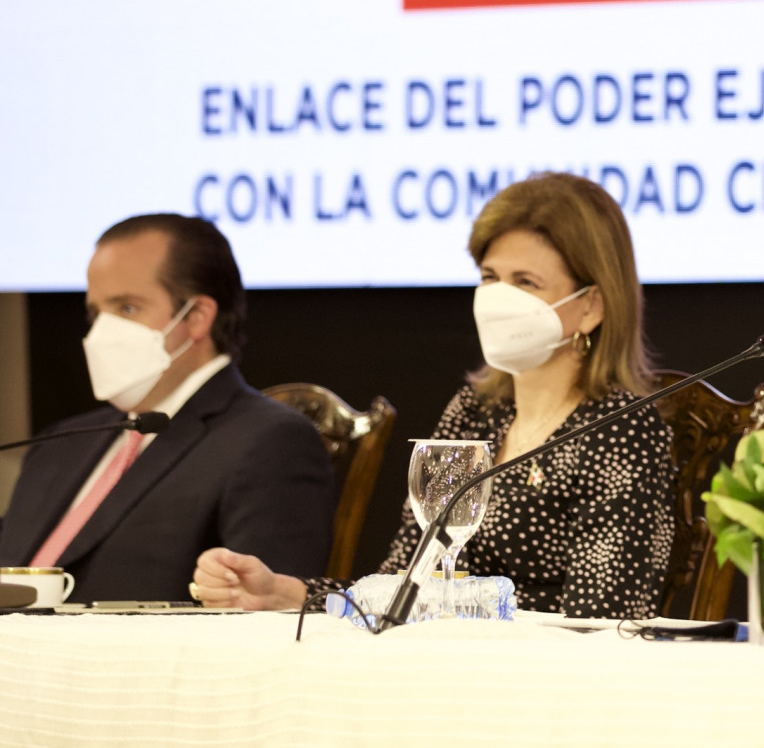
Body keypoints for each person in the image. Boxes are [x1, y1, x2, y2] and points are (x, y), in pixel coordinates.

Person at [194, 173, 679, 619]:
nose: (497, 299)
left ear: (591, 306)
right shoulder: (474, 412)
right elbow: (402, 582)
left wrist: (455, 609)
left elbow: (602, 616)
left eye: (525, 283)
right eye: (490, 277)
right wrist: (286, 593)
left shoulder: (624, 429)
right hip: (444, 661)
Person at [0, 214, 333, 603]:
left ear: (196, 317)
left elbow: (264, 609)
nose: (101, 333)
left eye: (127, 308)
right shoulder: (60, 443)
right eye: (95, 313)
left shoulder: (270, 441)